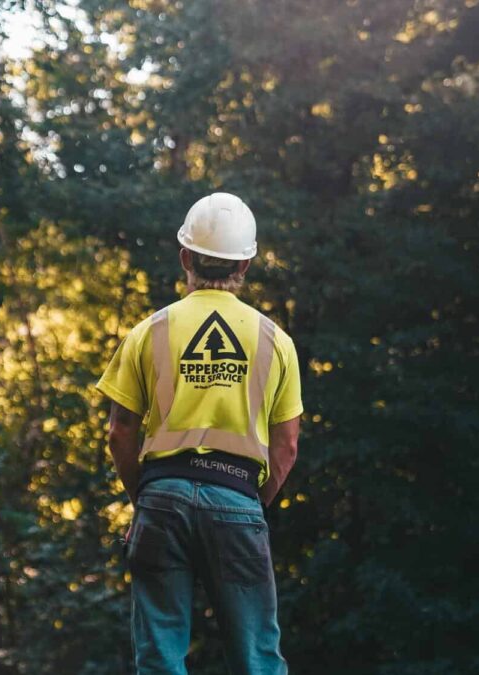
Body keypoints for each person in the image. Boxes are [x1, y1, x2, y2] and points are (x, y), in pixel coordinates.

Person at [96, 192, 303, 675]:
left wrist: (143, 499)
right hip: (237, 495)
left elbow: (119, 432)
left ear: (185, 257)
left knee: (160, 656)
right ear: (246, 264)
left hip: (162, 499)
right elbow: (286, 446)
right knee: (257, 660)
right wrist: (251, 504)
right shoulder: (276, 341)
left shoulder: (149, 332)